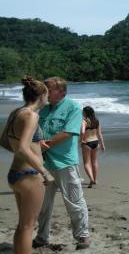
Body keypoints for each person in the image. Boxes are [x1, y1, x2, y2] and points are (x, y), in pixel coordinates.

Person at [33, 77, 91, 250]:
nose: (45, 93)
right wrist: (36, 145)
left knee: (74, 202)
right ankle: (42, 237)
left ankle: (82, 236)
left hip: (65, 163)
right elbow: (34, 131)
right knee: (43, 205)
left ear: (62, 92)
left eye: (49, 90)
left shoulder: (73, 107)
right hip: (44, 164)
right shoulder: (42, 109)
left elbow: (69, 132)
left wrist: (45, 145)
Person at [3, 76, 54, 254]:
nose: (48, 98)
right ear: (41, 96)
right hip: (31, 175)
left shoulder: (16, 112)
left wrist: (35, 145)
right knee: (28, 226)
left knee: (23, 225)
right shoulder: (32, 116)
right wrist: (44, 171)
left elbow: (4, 141)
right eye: (47, 94)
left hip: (15, 173)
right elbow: (24, 149)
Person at [80, 106, 105, 188]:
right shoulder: (96, 121)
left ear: (86, 113)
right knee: (94, 162)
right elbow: (99, 134)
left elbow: (83, 131)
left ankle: (91, 179)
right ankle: (95, 179)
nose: (82, 113)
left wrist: (81, 140)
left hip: (87, 143)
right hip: (96, 142)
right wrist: (102, 145)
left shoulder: (84, 121)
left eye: (83, 112)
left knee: (86, 163)